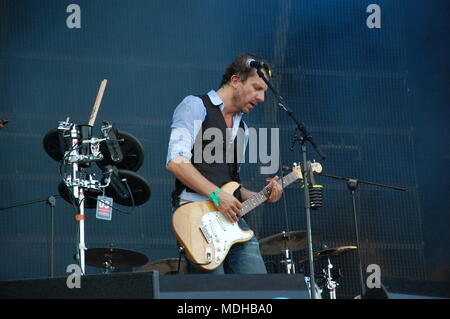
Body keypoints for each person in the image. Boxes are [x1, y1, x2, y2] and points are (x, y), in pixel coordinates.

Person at [166, 53, 283, 274]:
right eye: (257, 88)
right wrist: (216, 195)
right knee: (214, 290)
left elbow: (231, 186)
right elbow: (175, 161)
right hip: (196, 217)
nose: (261, 98)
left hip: (230, 220)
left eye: (264, 92)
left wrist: (262, 195)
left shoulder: (243, 130)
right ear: (236, 80)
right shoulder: (195, 106)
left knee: (259, 287)